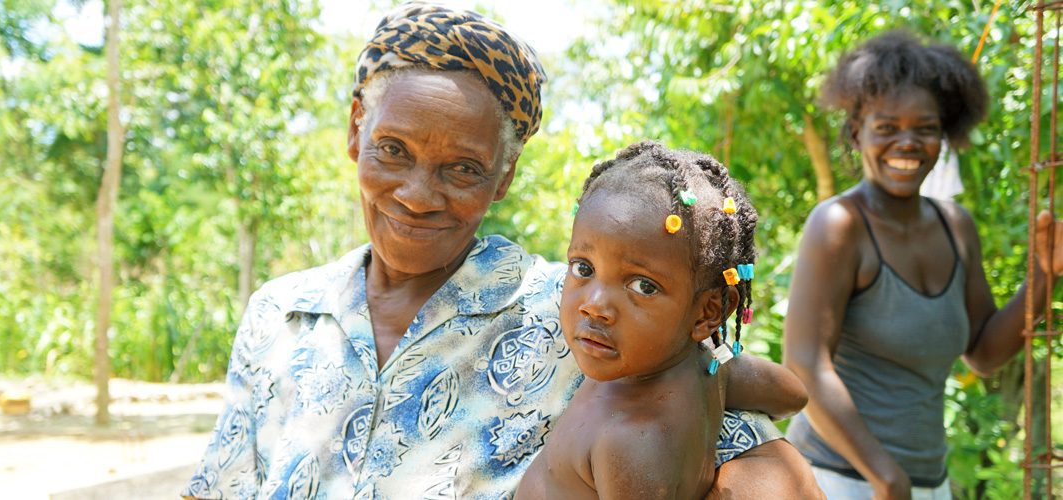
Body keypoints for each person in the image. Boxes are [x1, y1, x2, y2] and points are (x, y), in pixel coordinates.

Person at [182, 4, 818, 498]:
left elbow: (739, 443)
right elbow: (221, 483)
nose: (417, 194)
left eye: (461, 169)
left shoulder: (578, 319)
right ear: (356, 130)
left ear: (504, 176)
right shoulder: (279, 313)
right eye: (393, 150)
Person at [783, 30, 1063, 500]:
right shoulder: (839, 225)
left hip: (926, 483)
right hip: (836, 479)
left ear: (944, 135)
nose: (907, 143)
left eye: (925, 128)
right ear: (857, 133)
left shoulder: (956, 227)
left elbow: (984, 352)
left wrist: (1044, 274)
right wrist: (885, 476)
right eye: (887, 128)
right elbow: (805, 364)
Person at [514, 141, 813, 499]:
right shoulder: (709, 366)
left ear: (709, 312)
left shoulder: (631, 440)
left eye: (643, 286)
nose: (594, 305)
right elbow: (791, 395)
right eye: (584, 268)